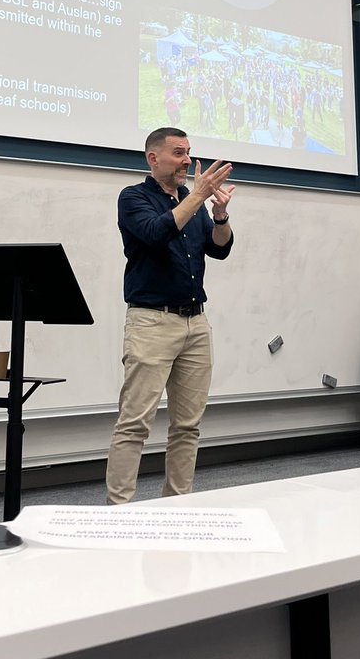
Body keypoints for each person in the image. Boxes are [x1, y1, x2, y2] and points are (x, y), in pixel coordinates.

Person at [105, 127, 235, 504]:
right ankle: (118, 512)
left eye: (189, 152)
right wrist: (197, 196)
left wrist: (221, 215)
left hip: (196, 323)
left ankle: (178, 503)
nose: (187, 161)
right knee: (134, 424)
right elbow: (155, 233)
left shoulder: (190, 203)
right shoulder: (133, 198)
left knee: (187, 426)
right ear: (153, 158)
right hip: (151, 321)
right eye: (179, 153)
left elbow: (219, 249)